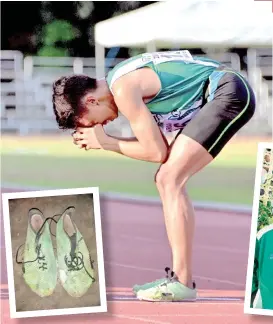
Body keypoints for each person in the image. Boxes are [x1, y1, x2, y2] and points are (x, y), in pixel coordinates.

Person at [52, 50, 256, 302]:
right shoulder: (121, 81)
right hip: (224, 87)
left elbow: (156, 151)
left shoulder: (124, 89)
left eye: (90, 122)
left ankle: (182, 282)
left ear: (92, 101)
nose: (99, 126)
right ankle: (180, 280)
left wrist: (105, 143)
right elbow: (161, 147)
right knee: (167, 179)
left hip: (227, 90)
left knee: (169, 180)